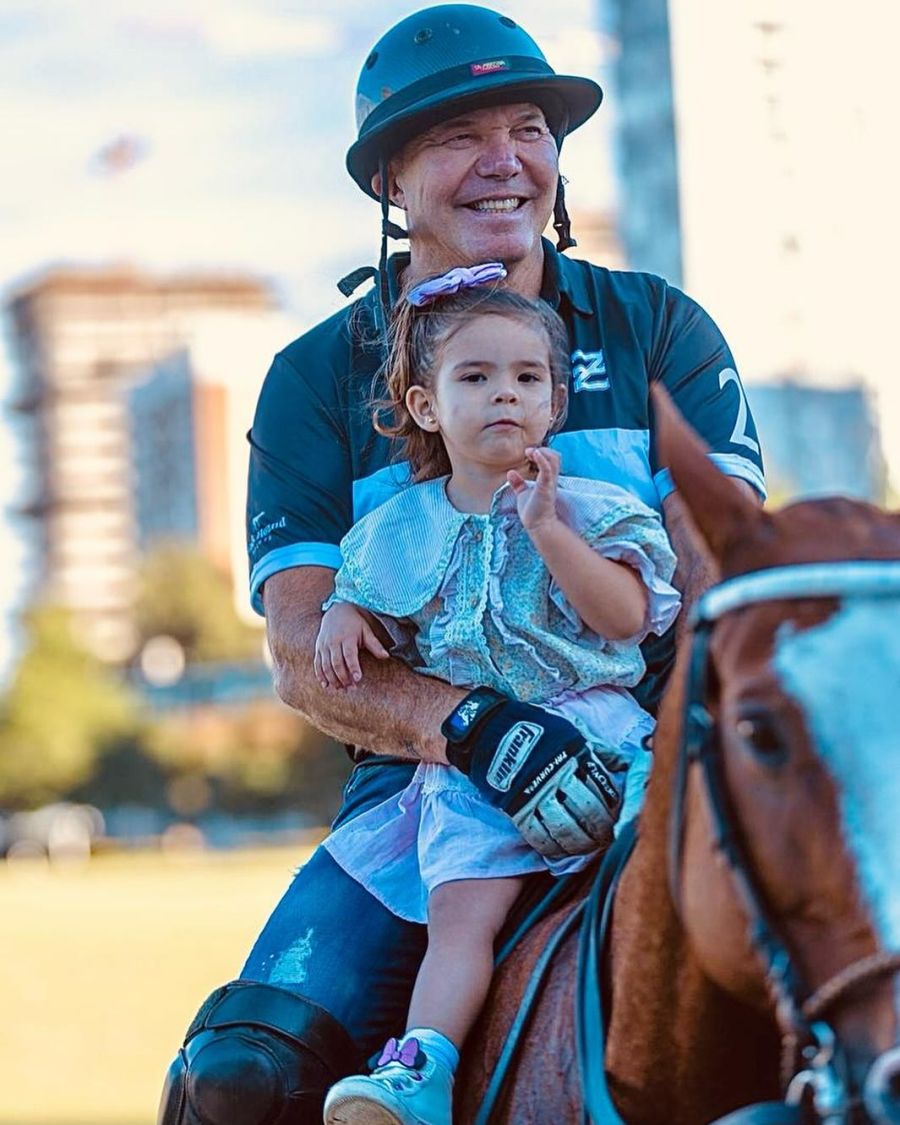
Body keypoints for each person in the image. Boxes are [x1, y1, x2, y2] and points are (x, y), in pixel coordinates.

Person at [157, 6, 765, 1125]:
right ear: (389, 179)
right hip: (430, 786)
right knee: (240, 1079)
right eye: (456, 137)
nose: (505, 161)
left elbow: (725, 573)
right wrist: (482, 730)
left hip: (665, 762)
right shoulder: (312, 380)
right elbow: (302, 649)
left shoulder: (660, 328)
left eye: (529, 127)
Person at [314, 275, 681, 1125]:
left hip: (599, 734)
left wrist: (548, 527)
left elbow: (626, 617)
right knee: (459, 918)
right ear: (429, 405)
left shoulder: (593, 509)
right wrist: (343, 611)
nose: (503, 392)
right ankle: (424, 1067)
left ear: (554, 402)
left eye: (526, 377)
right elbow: (377, 598)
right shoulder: (402, 525)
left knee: (654, 877)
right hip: (476, 762)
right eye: (474, 377)